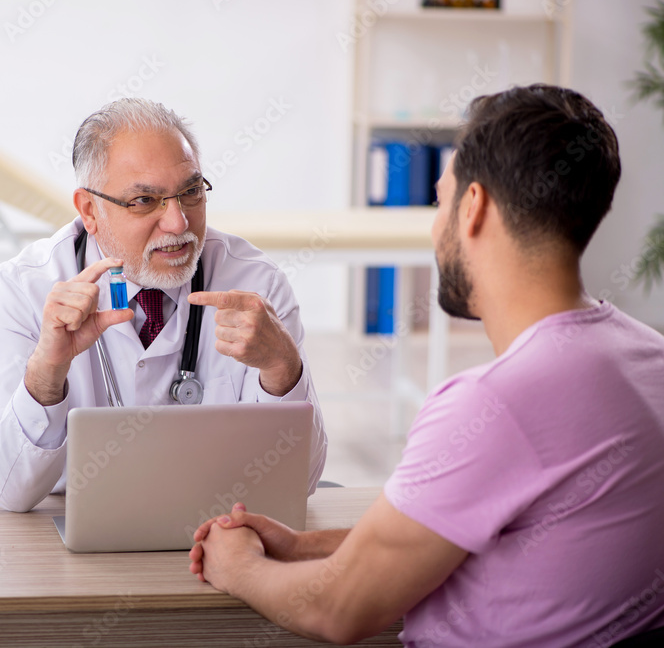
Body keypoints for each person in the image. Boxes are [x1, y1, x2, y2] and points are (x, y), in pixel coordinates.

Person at [189, 84, 664, 647]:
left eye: (440, 202)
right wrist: (300, 546)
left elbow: (339, 611)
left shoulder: (492, 406)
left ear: (474, 207)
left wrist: (237, 567)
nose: (435, 229)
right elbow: (479, 530)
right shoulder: (648, 355)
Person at [0, 98, 328, 512]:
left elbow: (300, 483)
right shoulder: (22, 291)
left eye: (191, 192)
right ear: (90, 210)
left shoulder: (256, 285)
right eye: (144, 200)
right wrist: (46, 375)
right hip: (69, 543)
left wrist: (282, 367)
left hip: (216, 532)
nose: (178, 223)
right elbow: (8, 491)